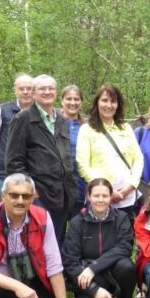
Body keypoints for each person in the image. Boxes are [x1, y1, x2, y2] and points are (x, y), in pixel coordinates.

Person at [6, 74, 76, 246]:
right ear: (34, 93)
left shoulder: (60, 119)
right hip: (39, 194)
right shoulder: (23, 119)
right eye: (42, 89)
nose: (47, 92)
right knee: (37, 242)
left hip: (62, 193)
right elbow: (14, 161)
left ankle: (55, 273)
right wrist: (29, 188)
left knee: (57, 240)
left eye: (51, 88)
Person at [61, 178, 137, 298]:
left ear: (111, 197)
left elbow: (124, 247)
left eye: (105, 196)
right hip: (87, 278)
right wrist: (93, 290)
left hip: (112, 271)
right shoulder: (77, 222)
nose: (100, 200)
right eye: (96, 196)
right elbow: (70, 261)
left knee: (127, 266)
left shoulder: (121, 218)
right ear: (89, 197)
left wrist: (93, 267)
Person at [76, 84, 143, 219]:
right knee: (99, 239)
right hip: (99, 197)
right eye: (105, 100)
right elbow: (82, 164)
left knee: (125, 237)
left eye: (113, 101)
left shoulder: (125, 128)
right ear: (97, 102)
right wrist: (105, 190)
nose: (109, 105)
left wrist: (130, 186)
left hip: (126, 197)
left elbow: (138, 159)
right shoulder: (87, 129)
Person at [0, 73, 34, 203]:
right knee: (0, 210)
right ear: (15, 90)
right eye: (22, 88)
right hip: (4, 173)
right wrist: (5, 158)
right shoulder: (0, 110)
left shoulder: (41, 111)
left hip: (33, 172)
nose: (26, 92)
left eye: (29, 88)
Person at [60, 84, 87, 217]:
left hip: (80, 185)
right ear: (62, 100)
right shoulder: (53, 123)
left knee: (79, 227)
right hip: (59, 186)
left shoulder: (87, 127)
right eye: (69, 99)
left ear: (81, 102)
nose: (72, 102)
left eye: (76, 99)